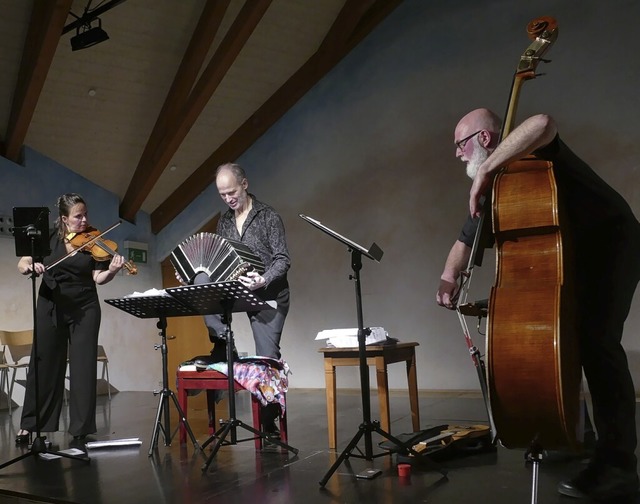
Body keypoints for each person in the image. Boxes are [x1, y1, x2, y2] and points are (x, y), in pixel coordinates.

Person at [436, 108, 640, 500]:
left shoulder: (530, 153)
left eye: (460, 144)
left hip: (613, 241)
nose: (457, 154)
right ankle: (578, 434)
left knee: (598, 343)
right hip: (575, 255)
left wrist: (485, 170)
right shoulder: (498, 186)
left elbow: (544, 122)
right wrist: (449, 277)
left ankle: (618, 465)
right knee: (565, 343)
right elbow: (465, 240)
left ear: (484, 138)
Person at [15, 193, 125, 444]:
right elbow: (23, 262)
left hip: (84, 306)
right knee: (43, 363)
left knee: (83, 366)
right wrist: (31, 267)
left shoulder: (94, 240)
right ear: (64, 219)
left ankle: (81, 430)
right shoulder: (47, 238)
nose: (84, 220)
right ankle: (31, 424)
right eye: (78, 216)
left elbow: (99, 278)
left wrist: (113, 270)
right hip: (50, 303)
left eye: (86, 214)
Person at [193, 162, 291, 435]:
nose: (228, 198)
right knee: (201, 280)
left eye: (232, 192)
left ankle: (268, 420)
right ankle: (224, 341)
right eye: (223, 195)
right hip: (240, 290)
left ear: (245, 184)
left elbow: (283, 259)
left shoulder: (268, 216)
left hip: (269, 292)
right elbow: (221, 258)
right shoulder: (224, 221)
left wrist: (264, 278)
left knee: (267, 358)